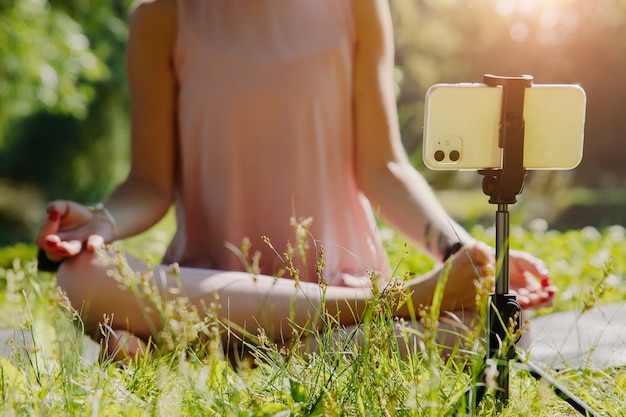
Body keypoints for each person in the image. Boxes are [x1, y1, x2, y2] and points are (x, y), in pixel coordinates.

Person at [36, 0, 555, 360]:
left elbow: (385, 167)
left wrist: (464, 257)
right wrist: (99, 224)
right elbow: (148, 183)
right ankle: (388, 309)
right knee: (81, 278)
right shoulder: (162, 17)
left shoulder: (355, 7)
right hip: (208, 285)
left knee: (498, 329)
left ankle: (205, 347)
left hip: (331, 285)